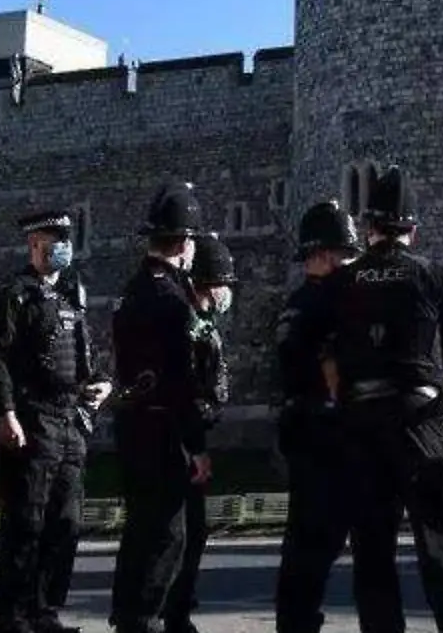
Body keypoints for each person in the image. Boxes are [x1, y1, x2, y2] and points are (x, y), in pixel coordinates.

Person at [288, 166, 443, 633]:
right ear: (411, 229)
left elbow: (299, 342)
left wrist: (332, 378)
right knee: (441, 546)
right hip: (421, 423)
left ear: (369, 227)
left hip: (360, 423)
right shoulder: (433, 275)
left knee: (373, 552)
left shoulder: (341, 283)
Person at [0, 211, 109, 633]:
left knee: (66, 521)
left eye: (65, 237)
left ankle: (44, 609)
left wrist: (101, 385)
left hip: (71, 418)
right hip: (34, 417)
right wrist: (7, 414)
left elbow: (85, 355)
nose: (61, 245)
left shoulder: (74, 295)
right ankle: (11, 614)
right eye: (52, 238)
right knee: (26, 521)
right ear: (33, 245)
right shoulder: (16, 295)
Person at [108, 183, 210, 633]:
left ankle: (127, 613)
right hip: (164, 428)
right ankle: (144, 619)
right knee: (168, 535)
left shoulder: (133, 292)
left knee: (139, 528)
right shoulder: (172, 301)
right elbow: (182, 381)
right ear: (185, 244)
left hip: (132, 425)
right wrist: (198, 445)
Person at [273, 201, 359, 633]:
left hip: (300, 426)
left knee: (304, 542)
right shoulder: (329, 301)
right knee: (318, 542)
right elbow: (330, 368)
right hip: (325, 430)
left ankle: (295, 621)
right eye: (345, 254)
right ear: (324, 255)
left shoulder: (297, 302)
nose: (350, 262)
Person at [165, 231, 236, 633]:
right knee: (182, 533)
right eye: (222, 284)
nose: (226, 292)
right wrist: (195, 447)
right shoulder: (189, 322)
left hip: (192, 432)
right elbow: (187, 386)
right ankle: (172, 612)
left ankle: (178, 608)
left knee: (192, 531)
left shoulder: (203, 320)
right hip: (180, 438)